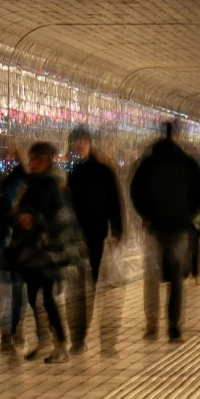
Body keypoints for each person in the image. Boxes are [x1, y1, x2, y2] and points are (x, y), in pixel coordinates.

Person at [129, 120, 200, 340]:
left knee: (152, 277)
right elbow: (199, 195)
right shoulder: (188, 164)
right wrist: (188, 216)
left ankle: (152, 325)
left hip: (154, 227)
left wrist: (147, 216)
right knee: (176, 276)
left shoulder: (147, 164)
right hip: (180, 228)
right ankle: (174, 326)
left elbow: (135, 193)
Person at [9, 142, 73, 363]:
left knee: (47, 299)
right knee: (34, 297)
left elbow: (60, 220)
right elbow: (15, 211)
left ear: (46, 161)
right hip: (30, 254)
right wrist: (20, 218)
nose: (32, 163)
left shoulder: (52, 185)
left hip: (46, 254)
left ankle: (61, 344)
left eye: (36, 159)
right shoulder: (29, 184)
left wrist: (35, 220)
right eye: (31, 159)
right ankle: (46, 341)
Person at [65, 127, 125, 351]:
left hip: (95, 238)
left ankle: (89, 338)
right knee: (78, 291)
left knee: (89, 289)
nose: (79, 146)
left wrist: (118, 230)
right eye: (76, 142)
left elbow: (113, 202)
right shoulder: (69, 172)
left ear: (89, 144)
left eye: (83, 142)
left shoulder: (102, 171)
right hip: (73, 240)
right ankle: (78, 338)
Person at [0, 139, 30, 353]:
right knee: (10, 289)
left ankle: (11, 331)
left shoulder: (16, 181)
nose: (4, 156)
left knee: (13, 288)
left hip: (14, 243)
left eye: (8, 151)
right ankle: (9, 332)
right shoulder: (4, 181)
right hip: (5, 243)